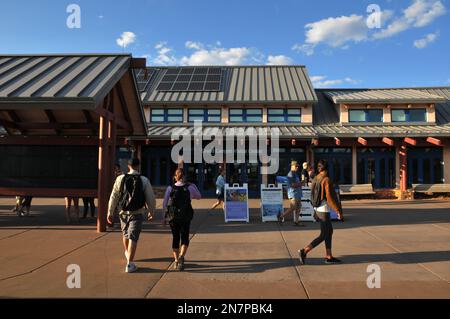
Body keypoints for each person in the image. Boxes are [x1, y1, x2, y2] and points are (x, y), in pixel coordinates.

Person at [107, 158, 156, 273]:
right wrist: (151, 211)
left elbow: (114, 196)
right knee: (133, 237)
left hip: (123, 212)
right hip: (137, 212)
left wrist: (110, 212)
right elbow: (151, 198)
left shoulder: (120, 179)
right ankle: (130, 264)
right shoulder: (144, 180)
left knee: (125, 233)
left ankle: (128, 253)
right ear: (138, 166)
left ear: (128, 166)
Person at [298, 159, 344, 265]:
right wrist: (338, 211)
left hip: (318, 208)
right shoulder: (326, 179)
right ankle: (304, 251)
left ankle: (329, 256)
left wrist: (314, 210)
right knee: (324, 234)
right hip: (323, 209)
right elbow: (329, 197)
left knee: (329, 231)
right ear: (327, 168)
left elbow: (313, 195)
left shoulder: (316, 178)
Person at [163, 168, 201, 271]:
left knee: (175, 237)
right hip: (185, 216)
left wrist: (164, 216)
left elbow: (165, 203)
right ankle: (181, 256)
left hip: (173, 217)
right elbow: (199, 196)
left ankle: (176, 260)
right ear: (184, 177)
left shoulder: (170, 188)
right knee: (184, 237)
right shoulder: (190, 187)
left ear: (175, 177)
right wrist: (193, 185)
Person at [278, 161, 303, 227]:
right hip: (293, 193)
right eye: (296, 166)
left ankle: (296, 222)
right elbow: (293, 185)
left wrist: (300, 183)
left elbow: (296, 183)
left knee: (299, 207)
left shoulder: (295, 173)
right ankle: (281, 216)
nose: (297, 167)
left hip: (298, 193)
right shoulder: (290, 174)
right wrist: (301, 183)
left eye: (298, 166)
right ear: (292, 166)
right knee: (293, 207)